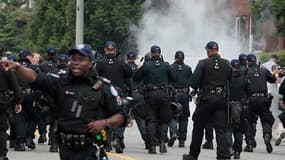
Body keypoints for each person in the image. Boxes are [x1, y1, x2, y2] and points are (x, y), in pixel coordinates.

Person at [0, 44, 126, 160]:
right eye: (74, 59)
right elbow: (35, 77)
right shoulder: (60, 82)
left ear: (91, 63)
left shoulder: (103, 87)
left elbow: (121, 115)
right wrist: (17, 67)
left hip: (91, 149)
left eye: (81, 59)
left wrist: (104, 123)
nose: (76, 63)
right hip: (66, 149)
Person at [183, 41, 232, 160]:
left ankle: (193, 155)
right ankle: (222, 155)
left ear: (208, 50)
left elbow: (194, 83)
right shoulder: (227, 64)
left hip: (206, 99)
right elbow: (230, 81)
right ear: (218, 49)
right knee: (220, 129)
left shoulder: (203, 63)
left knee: (198, 127)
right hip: (221, 99)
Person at [134, 45, 175, 154]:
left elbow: (136, 78)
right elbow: (173, 78)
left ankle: (152, 146)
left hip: (151, 95)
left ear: (151, 54)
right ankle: (162, 144)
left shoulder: (147, 65)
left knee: (151, 120)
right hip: (163, 94)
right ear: (160, 54)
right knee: (164, 120)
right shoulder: (166, 65)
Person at [95, 41, 132, 153]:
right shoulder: (121, 63)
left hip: (104, 94)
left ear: (105, 50)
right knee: (121, 117)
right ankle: (117, 139)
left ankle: (107, 143)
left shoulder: (100, 62)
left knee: (104, 118)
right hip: (118, 94)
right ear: (115, 50)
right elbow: (129, 74)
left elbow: (94, 76)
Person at [244, 53, 276, 153]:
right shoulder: (263, 70)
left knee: (249, 121)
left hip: (251, 99)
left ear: (247, 62)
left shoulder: (246, 71)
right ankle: (267, 135)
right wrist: (274, 73)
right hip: (263, 99)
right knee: (266, 119)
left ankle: (249, 143)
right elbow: (273, 80)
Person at [0, 48, 22, 160]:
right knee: (1, 128)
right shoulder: (6, 66)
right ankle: (2, 153)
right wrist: (18, 101)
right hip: (2, 101)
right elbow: (15, 86)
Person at [168, 50, 192, 148]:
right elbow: (192, 81)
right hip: (185, 94)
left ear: (175, 58)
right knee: (184, 117)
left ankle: (173, 133)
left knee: (173, 115)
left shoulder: (170, 67)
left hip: (174, 93)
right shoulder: (188, 68)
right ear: (183, 58)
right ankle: (182, 140)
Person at [228, 59, 251, 159]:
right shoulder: (245, 79)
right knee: (239, 130)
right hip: (240, 107)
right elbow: (250, 92)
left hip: (227, 106)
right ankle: (237, 151)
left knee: (227, 129)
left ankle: (229, 148)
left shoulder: (226, 79)